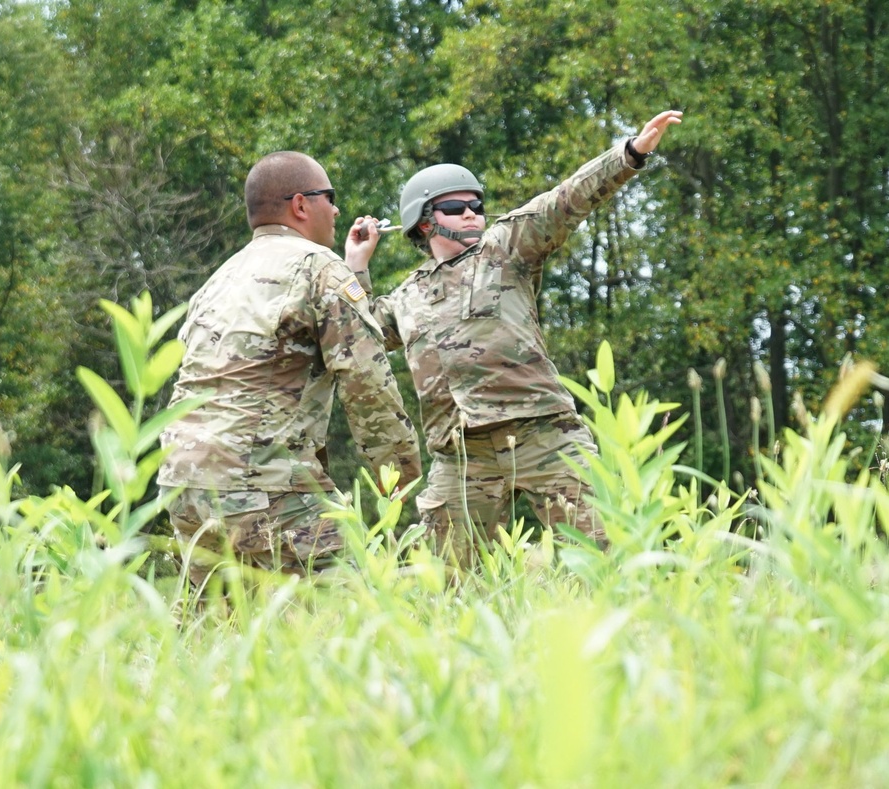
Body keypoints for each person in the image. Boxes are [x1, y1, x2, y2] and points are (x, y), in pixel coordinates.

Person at [349, 110, 683, 563]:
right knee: (450, 582)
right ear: (425, 223)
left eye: (476, 206)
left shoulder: (505, 249)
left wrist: (628, 154)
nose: (470, 214)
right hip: (462, 456)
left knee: (610, 559)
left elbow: (563, 202)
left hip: (545, 436)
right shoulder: (406, 297)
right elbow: (358, 332)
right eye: (454, 208)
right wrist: (357, 266)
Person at [157, 151, 422, 586]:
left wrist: (357, 269)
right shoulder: (319, 268)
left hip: (184, 487)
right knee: (359, 615)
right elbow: (367, 383)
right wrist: (398, 477)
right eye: (329, 197)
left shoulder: (220, 278)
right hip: (263, 488)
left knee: (222, 633)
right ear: (301, 205)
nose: (336, 209)